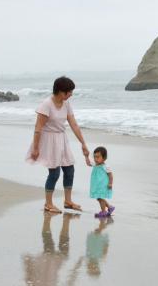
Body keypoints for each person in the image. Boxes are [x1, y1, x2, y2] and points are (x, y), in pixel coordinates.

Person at [26, 76, 89, 213]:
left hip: (62, 139)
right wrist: (35, 148)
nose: (71, 94)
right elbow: (38, 129)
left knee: (69, 170)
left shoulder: (66, 104)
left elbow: (74, 124)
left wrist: (83, 143)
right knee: (54, 173)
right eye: (69, 92)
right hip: (49, 141)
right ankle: (48, 204)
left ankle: (68, 201)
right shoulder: (46, 104)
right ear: (61, 91)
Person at [86, 146, 115, 218]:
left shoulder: (105, 166)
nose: (96, 159)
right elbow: (88, 163)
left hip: (103, 184)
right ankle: (109, 207)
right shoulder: (95, 164)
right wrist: (86, 156)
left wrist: (110, 183)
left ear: (104, 158)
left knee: (100, 197)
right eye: (95, 157)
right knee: (98, 198)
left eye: (98, 157)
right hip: (97, 184)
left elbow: (110, 175)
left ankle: (103, 211)